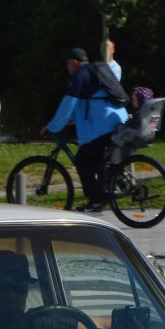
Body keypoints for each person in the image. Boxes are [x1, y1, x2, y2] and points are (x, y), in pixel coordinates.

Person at [42, 47, 129, 213]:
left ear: (75, 62)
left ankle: (95, 202)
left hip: (103, 127)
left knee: (82, 161)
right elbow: (91, 102)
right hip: (118, 121)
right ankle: (103, 192)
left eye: (68, 64)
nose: (67, 67)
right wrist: (72, 120)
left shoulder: (80, 76)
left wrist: (52, 127)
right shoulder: (95, 71)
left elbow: (68, 104)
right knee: (97, 161)